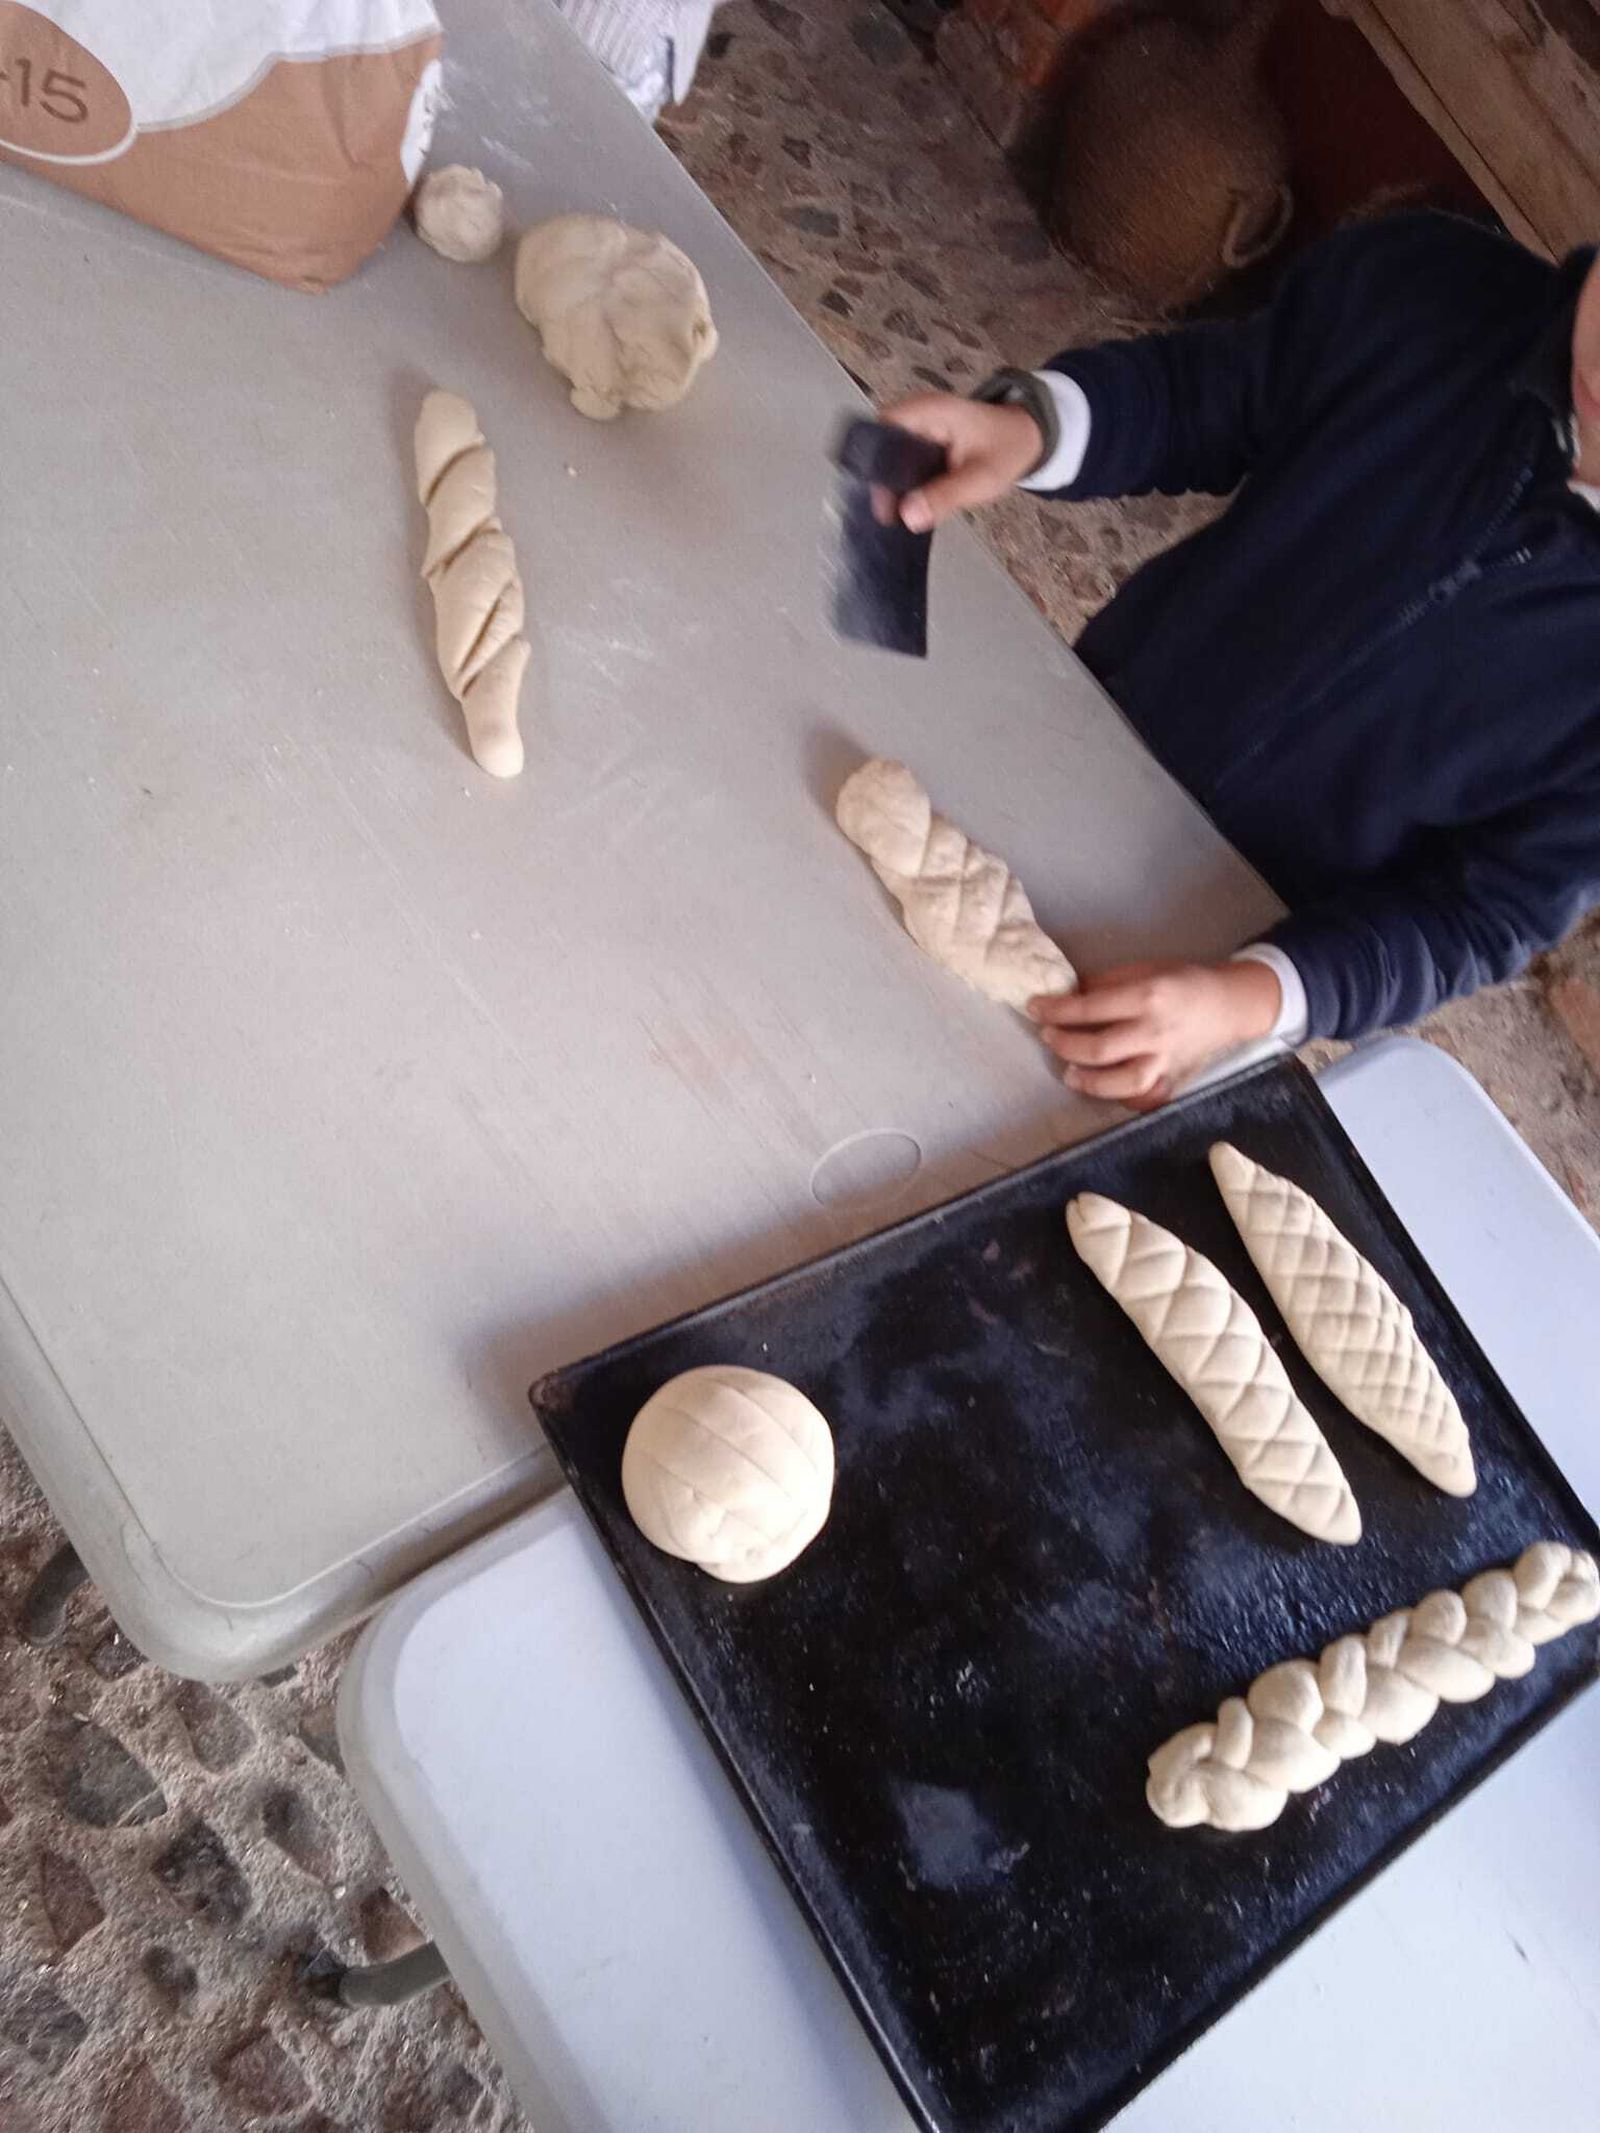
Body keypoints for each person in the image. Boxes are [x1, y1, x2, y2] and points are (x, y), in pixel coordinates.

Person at [881, 212, 1600, 1106]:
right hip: (1074, 735)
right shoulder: (1429, 284)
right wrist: (1035, 429)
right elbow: (1205, 395)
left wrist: (1248, 997)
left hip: (1215, 957)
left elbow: (1474, 914)